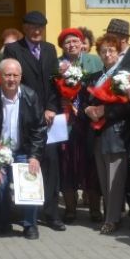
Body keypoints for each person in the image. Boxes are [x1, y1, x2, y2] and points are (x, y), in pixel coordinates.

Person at [3, 11, 65, 230]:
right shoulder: (13, 49)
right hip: (25, 117)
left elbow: (55, 82)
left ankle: (51, 213)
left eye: (40, 28)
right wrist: (34, 110)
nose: (37, 31)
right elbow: (13, 83)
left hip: (49, 119)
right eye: (32, 27)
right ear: (25, 28)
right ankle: (27, 213)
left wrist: (51, 108)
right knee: (28, 163)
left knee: (51, 164)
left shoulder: (50, 49)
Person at [0, 59, 47, 238]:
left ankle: (30, 225)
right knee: (1, 185)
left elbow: (39, 128)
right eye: (7, 75)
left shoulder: (30, 96)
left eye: (15, 75)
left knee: (30, 182)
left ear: (20, 76)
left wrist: (35, 156)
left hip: (24, 151)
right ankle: (3, 222)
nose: (11, 79)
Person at [82, 34, 130, 234]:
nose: (107, 54)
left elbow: (129, 106)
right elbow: (85, 100)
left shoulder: (124, 76)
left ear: (118, 53)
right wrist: (88, 110)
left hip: (116, 133)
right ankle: (112, 215)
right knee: (104, 178)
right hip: (97, 133)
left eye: (111, 50)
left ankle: (112, 219)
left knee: (115, 179)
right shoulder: (96, 76)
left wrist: (105, 111)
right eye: (103, 51)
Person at [57, 27, 101, 222]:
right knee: (67, 164)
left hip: (89, 121)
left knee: (91, 165)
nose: (72, 45)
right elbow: (51, 90)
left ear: (82, 43)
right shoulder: (57, 64)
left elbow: (102, 86)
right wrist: (61, 101)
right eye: (67, 42)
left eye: (75, 41)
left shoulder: (95, 61)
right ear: (62, 46)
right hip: (66, 122)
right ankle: (70, 209)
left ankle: (95, 209)